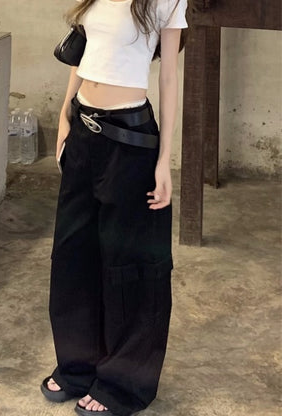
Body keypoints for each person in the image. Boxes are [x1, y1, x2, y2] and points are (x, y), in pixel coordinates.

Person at [41, 0, 188, 415]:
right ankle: (77, 366)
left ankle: (122, 383)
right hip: (82, 130)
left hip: (130, 138)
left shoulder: (167, 1)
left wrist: (164, 160)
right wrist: (64, 119)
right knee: (73, 254)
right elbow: (82, 54)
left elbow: (169, 78)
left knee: (130, 265)